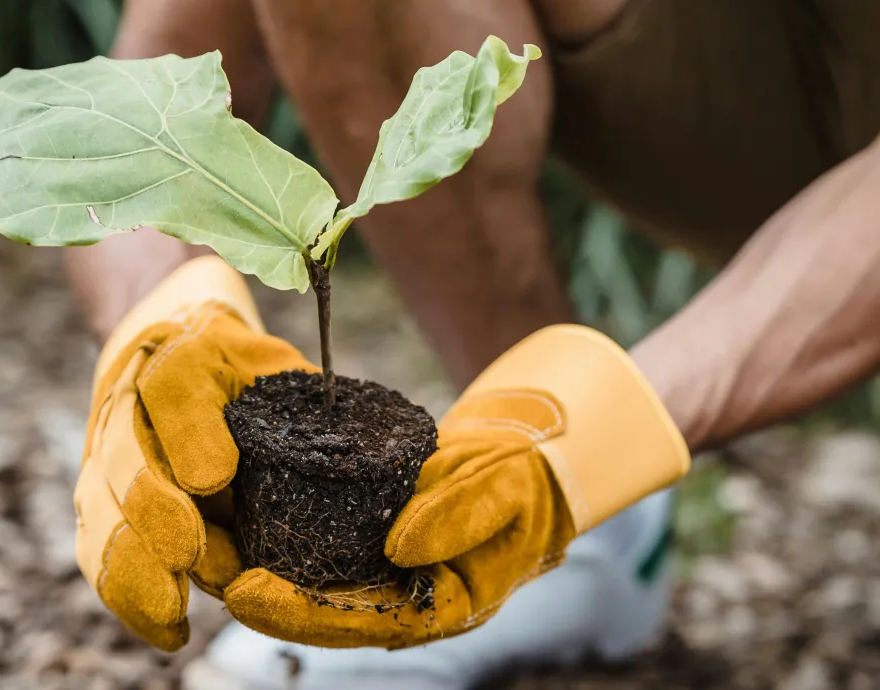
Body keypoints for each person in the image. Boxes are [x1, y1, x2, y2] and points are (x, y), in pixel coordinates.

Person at [66, 1, 880, 688]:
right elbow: (139, 111)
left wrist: (592, 431)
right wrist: (159, 320)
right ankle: (575, 548)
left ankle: (571, 512)